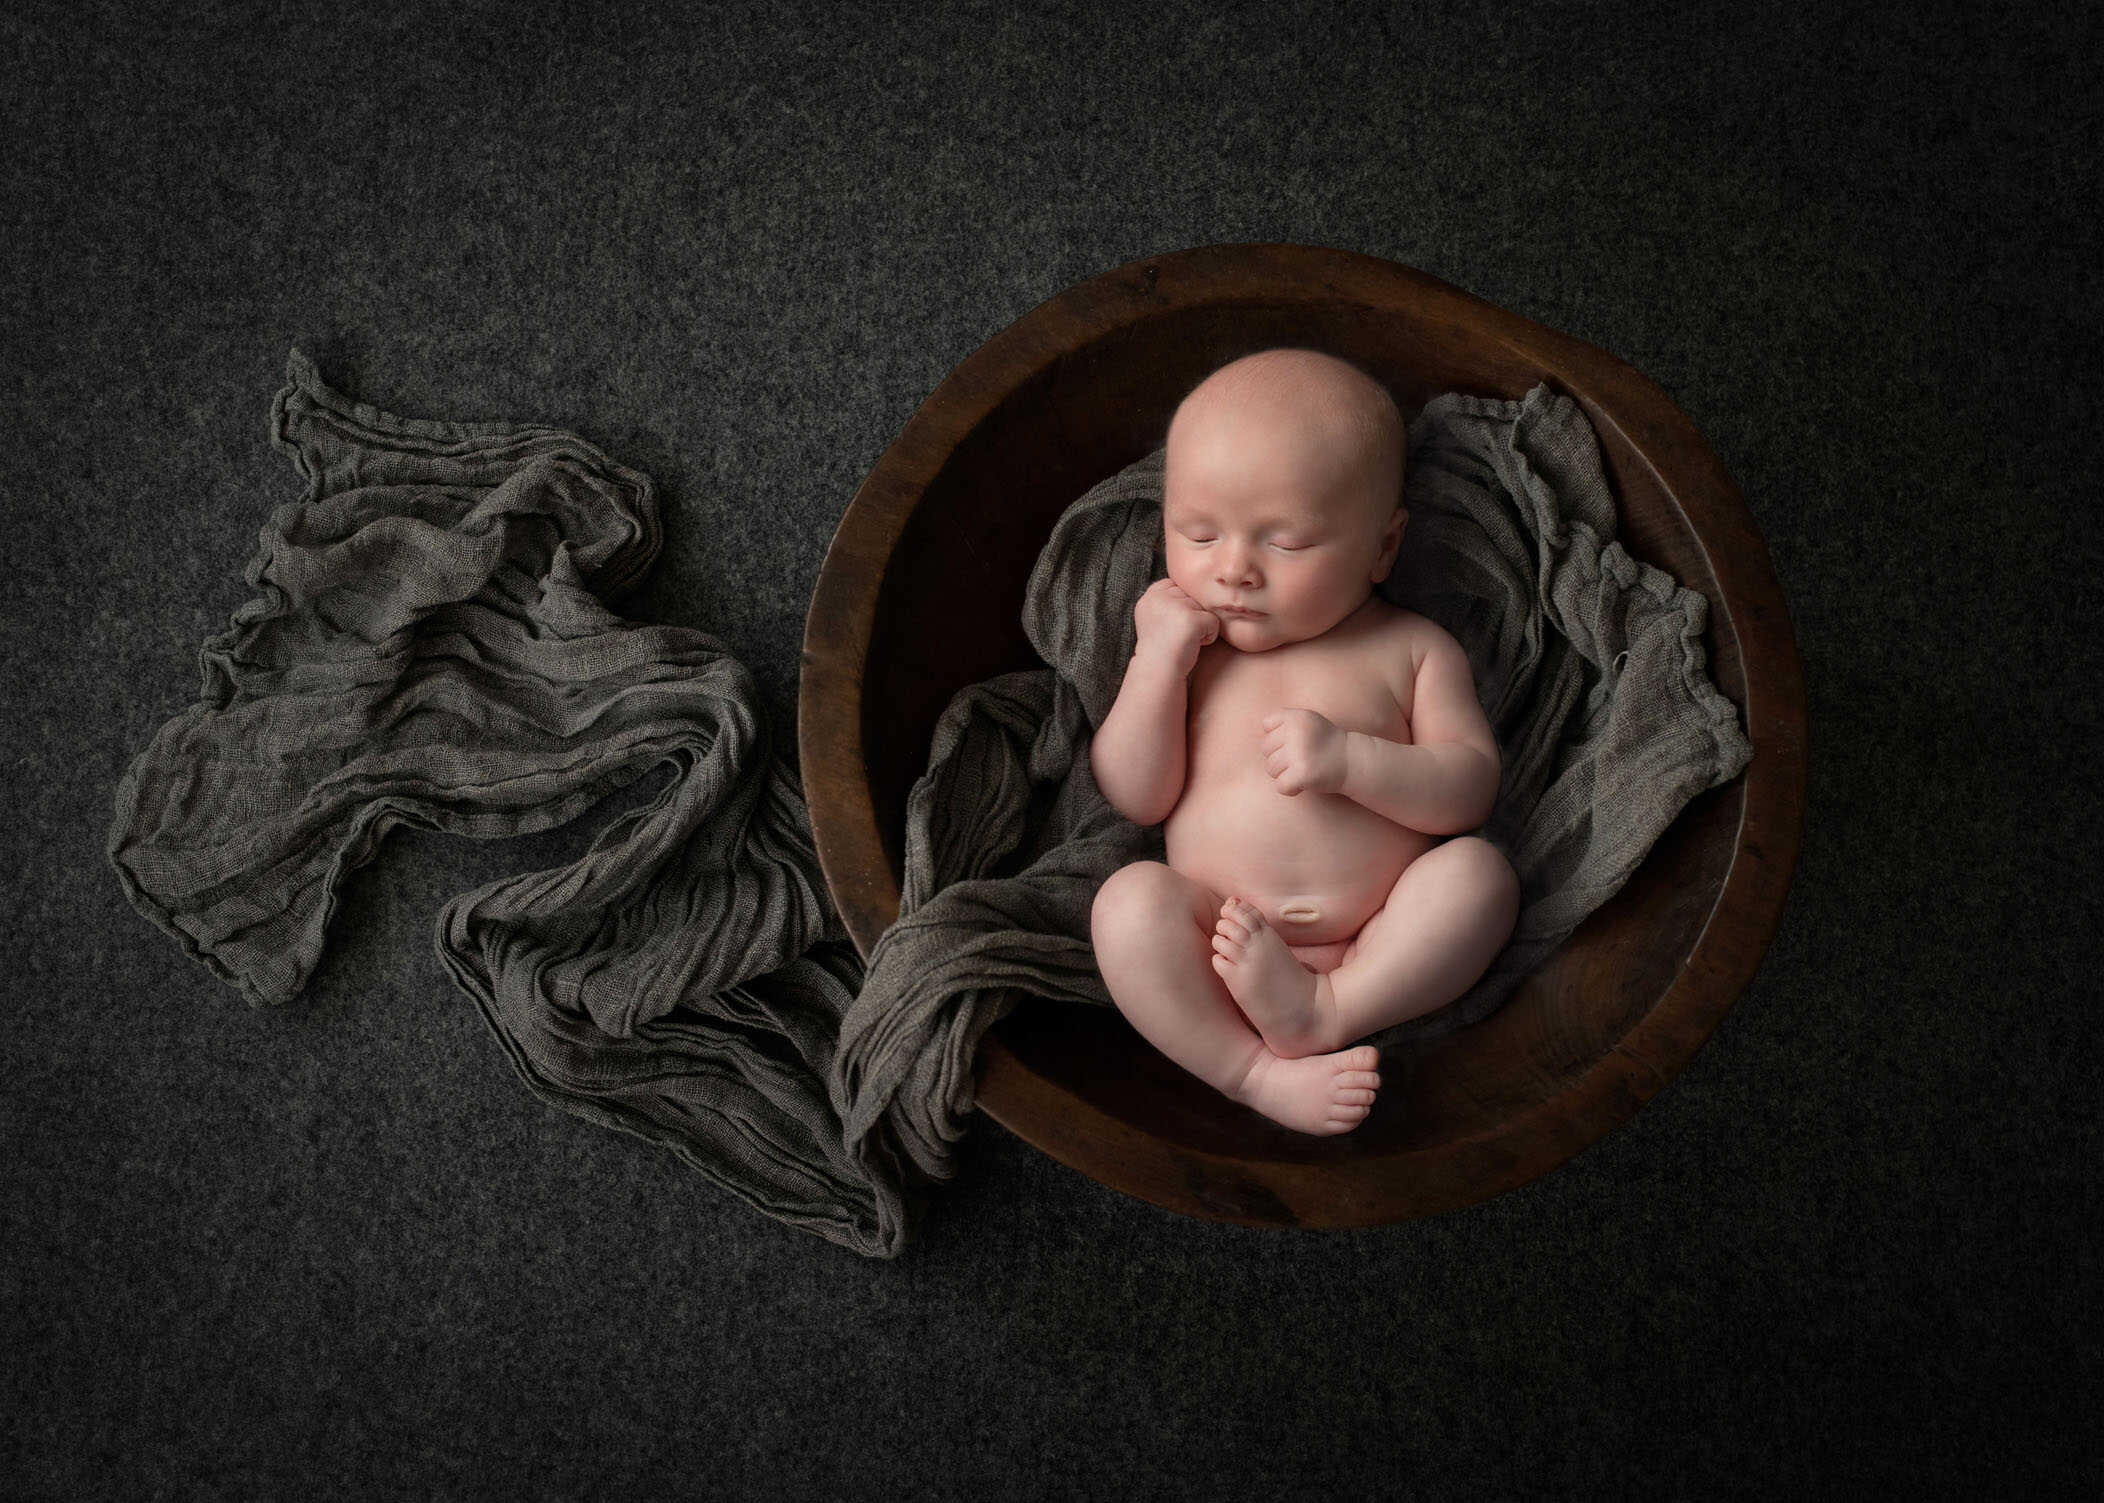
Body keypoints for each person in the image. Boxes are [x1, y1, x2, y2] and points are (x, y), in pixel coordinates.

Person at [1088, 348, 1520, 1135]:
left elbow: (1469, 789)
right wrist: (1156, 662)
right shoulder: (1192, 650)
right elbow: (1134, 793)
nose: (1234, 570)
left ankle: (1327, 1010)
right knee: (1124, 906)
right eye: (1199, 531)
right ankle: (1250, 1073)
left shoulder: (1414, 650)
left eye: (1284, 543)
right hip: (1212, 927)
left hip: (1381, 929)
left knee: (1479, 877)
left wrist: (1355, 761)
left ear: (1384, 547)